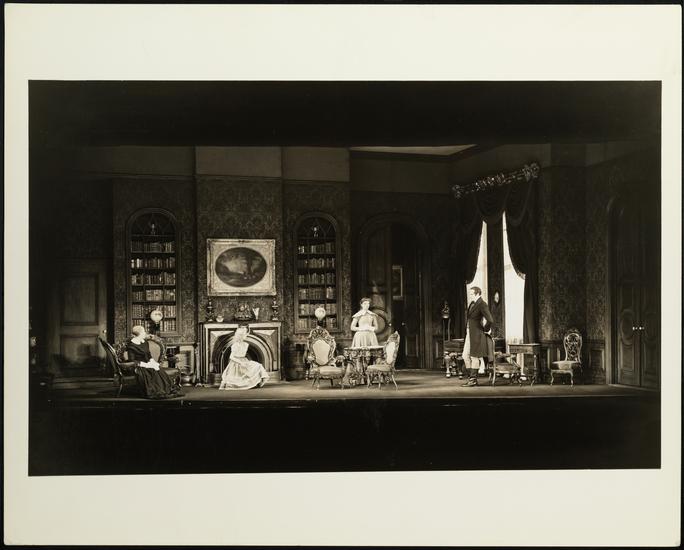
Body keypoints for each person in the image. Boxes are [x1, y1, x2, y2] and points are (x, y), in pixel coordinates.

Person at [125, 325, 184, 399]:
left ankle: (167, 390)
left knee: (158, 368)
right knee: (151, 371)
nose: (145, 333)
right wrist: (147, 365)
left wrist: (153, 362)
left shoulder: (144, 342)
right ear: (139, 334)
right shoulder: (131, 346)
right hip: (139, 366)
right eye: (143, 332)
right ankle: (158, 391)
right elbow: (132, 360)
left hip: (148, 363)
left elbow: (148, 354)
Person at [462, 286, 494, 387]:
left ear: (477, 293)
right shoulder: (472, 303)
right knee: (465, 355)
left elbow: (490, 320)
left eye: (471, 294)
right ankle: (471, 377)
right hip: (469, 333)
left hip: (477, 334)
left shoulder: (482, 304)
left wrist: (485, 329)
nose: (470, 295)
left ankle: (473, 380)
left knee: (474, 356)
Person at [219, 325, 269, 390]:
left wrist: (246, 362)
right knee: (236, 378)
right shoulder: (235, 345)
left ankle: (260, 382)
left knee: (258, 365)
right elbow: (231, 357)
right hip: (236, 363)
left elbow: (243, 356)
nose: (245, 336)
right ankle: (245, 384)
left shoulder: (245, 344)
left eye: (245, 334)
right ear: (240, 336)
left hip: (244, 361)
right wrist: (240, 362)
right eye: (243, 335)